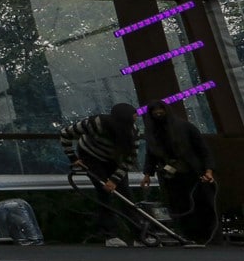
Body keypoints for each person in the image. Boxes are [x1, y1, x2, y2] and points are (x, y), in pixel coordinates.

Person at [60, 103, 140, 247]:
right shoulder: (95, 123)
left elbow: (130, 159)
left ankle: (139, 234)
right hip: (91, 156)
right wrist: (73, 158)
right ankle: (110, 235)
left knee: (126, 194)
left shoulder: (133, 132)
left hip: (116, 160)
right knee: (104, 193)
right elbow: (65, 133)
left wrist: (115, 179)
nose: (135, 119)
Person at [140, 100, 217, 243]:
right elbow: (151, 155)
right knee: (178, 206)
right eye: (154, 110)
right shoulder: (152, 133)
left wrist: (209, 170)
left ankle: (204, 236)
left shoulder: (185, 127)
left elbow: (203, 149)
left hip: (192, 172)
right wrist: (147, 174)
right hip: (170, 176)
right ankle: (187, 236)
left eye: (160, 109)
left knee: (200, 204)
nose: (158, 113)